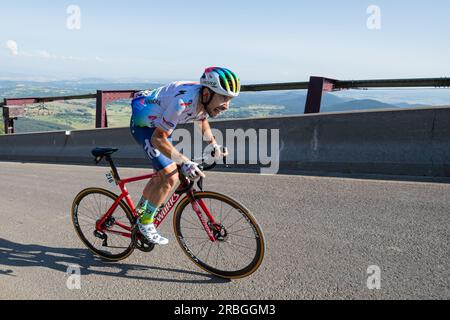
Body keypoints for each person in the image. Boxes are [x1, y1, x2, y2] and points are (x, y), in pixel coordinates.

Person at [130, 67, 241, 245]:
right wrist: (185, 162)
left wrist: (213, 144)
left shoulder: (203, 100)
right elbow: (158, 139)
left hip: (161, 123)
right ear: (207, 93)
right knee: (170, 175)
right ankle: (145, 222)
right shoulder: (182, 102)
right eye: (224, 97)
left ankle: (140, 210)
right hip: (145, 125)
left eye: (230, 99)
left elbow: (201, 119)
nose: (227, 105)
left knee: (161, 173)